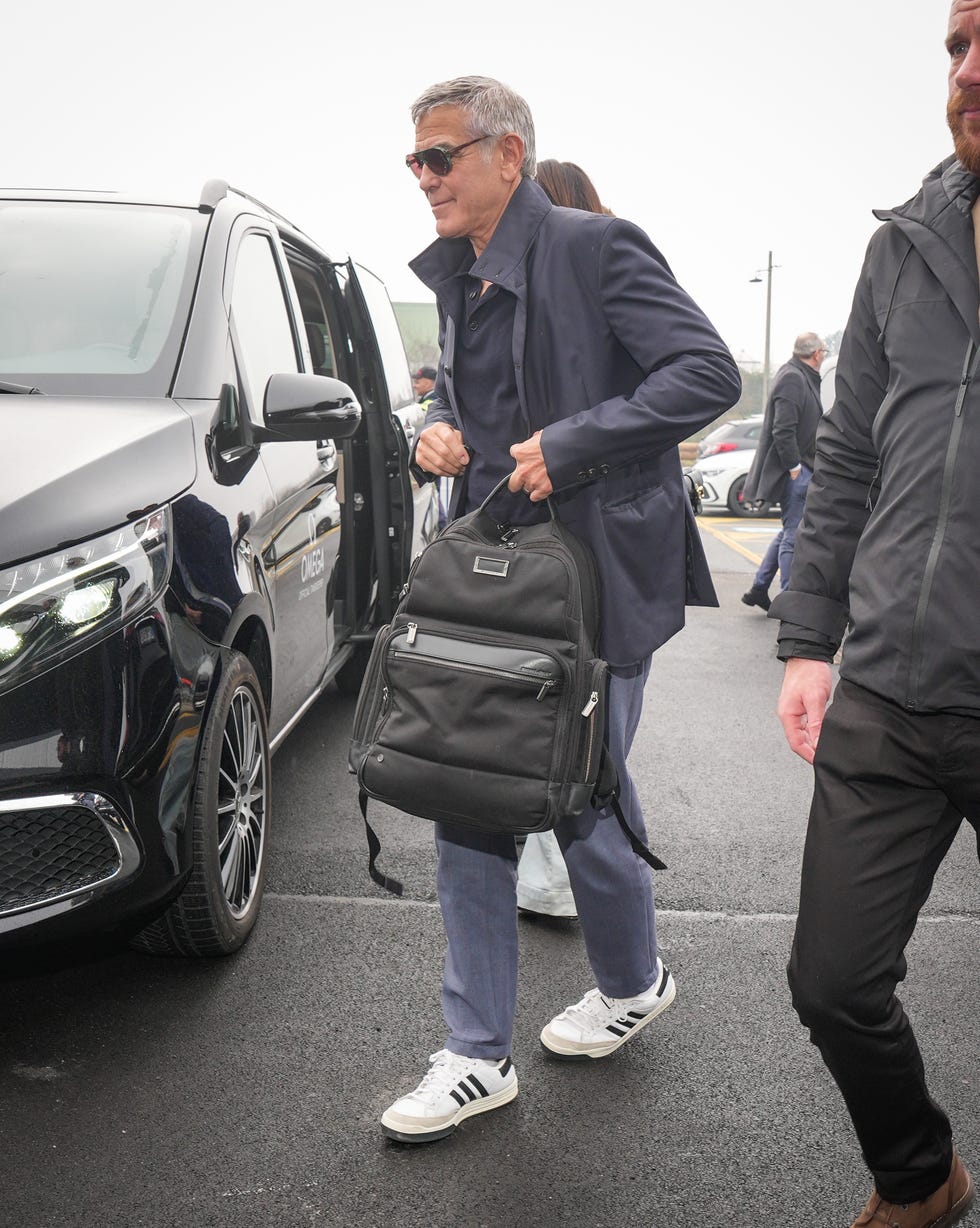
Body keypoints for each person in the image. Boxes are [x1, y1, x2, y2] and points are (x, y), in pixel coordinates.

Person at [380, 75, 740, 1144]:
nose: (425, 178)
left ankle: (631, 979)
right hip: (486, 584)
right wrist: (431, 429)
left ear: (508, 154)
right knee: (469, 792)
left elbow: (706, 371)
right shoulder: (458, 275)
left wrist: (574, 441)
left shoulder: (597, 246)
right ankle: (475, 1052)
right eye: (414, 161)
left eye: (440, 157)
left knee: (582, 795)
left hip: (592, 585)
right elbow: (460, 395)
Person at [769, 4, 980, 1223]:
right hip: (891, 695)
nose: (965, 70)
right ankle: (919, 1175)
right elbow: (844, 455)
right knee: (831, 983)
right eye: (953, 43)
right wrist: (807, 639)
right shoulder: (905, 240)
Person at [515, 158, 614, 922]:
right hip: (589, 555)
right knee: (577, 725)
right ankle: (560, 878)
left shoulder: (600, 262)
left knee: (561, 726)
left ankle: (564, 881)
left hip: (572, 544)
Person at [740, 333, 826, 612]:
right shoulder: (793, 378)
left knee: (789, 530)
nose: (824, 356)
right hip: (796, 472)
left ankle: (759, 588)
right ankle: (788, 602)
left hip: (800, 469)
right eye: (823, 351)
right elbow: (783, 428)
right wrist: (794, 468)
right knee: (795, 534)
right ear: (816, 354)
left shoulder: (799, 375)